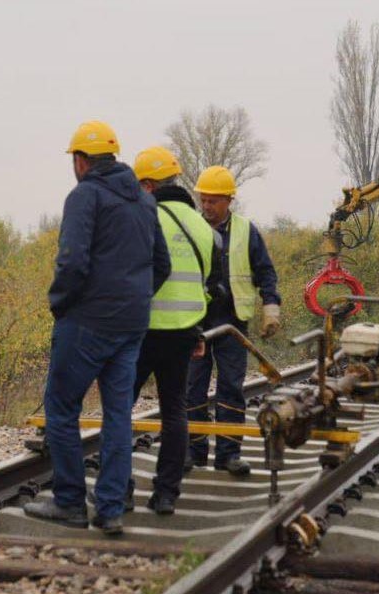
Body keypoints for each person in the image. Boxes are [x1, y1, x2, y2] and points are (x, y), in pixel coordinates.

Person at [23, 121, 169, 536]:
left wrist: (61, 305)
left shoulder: (84, 196)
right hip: (130, 325)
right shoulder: (144, 201)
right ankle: (109, 509)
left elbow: (71, 261)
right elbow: (162, 265)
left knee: (62, 407)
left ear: (81, 161)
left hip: (87, 323)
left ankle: (69, 502)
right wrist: (135, 299)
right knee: (118, 415)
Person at [128, 146, 217, 515]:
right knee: (174, 410)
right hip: (184, 331)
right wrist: (196, 329)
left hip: (143, 328)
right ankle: (166, 493)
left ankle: (119, 488)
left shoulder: (145, 215)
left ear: (147, 185)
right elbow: (206, 279)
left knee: (120, 408)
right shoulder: (201, 224)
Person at [185, 165, 281, 477]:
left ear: (229, 200)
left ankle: (228, 453)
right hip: (196, 322)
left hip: (233, 322)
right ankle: (193, 452)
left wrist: (271, 306)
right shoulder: (192, 229)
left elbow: (265, 271)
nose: (207, 206)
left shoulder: (246, 230)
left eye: (213, 200)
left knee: (230, 388)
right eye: (204, 200)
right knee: (192, 388)